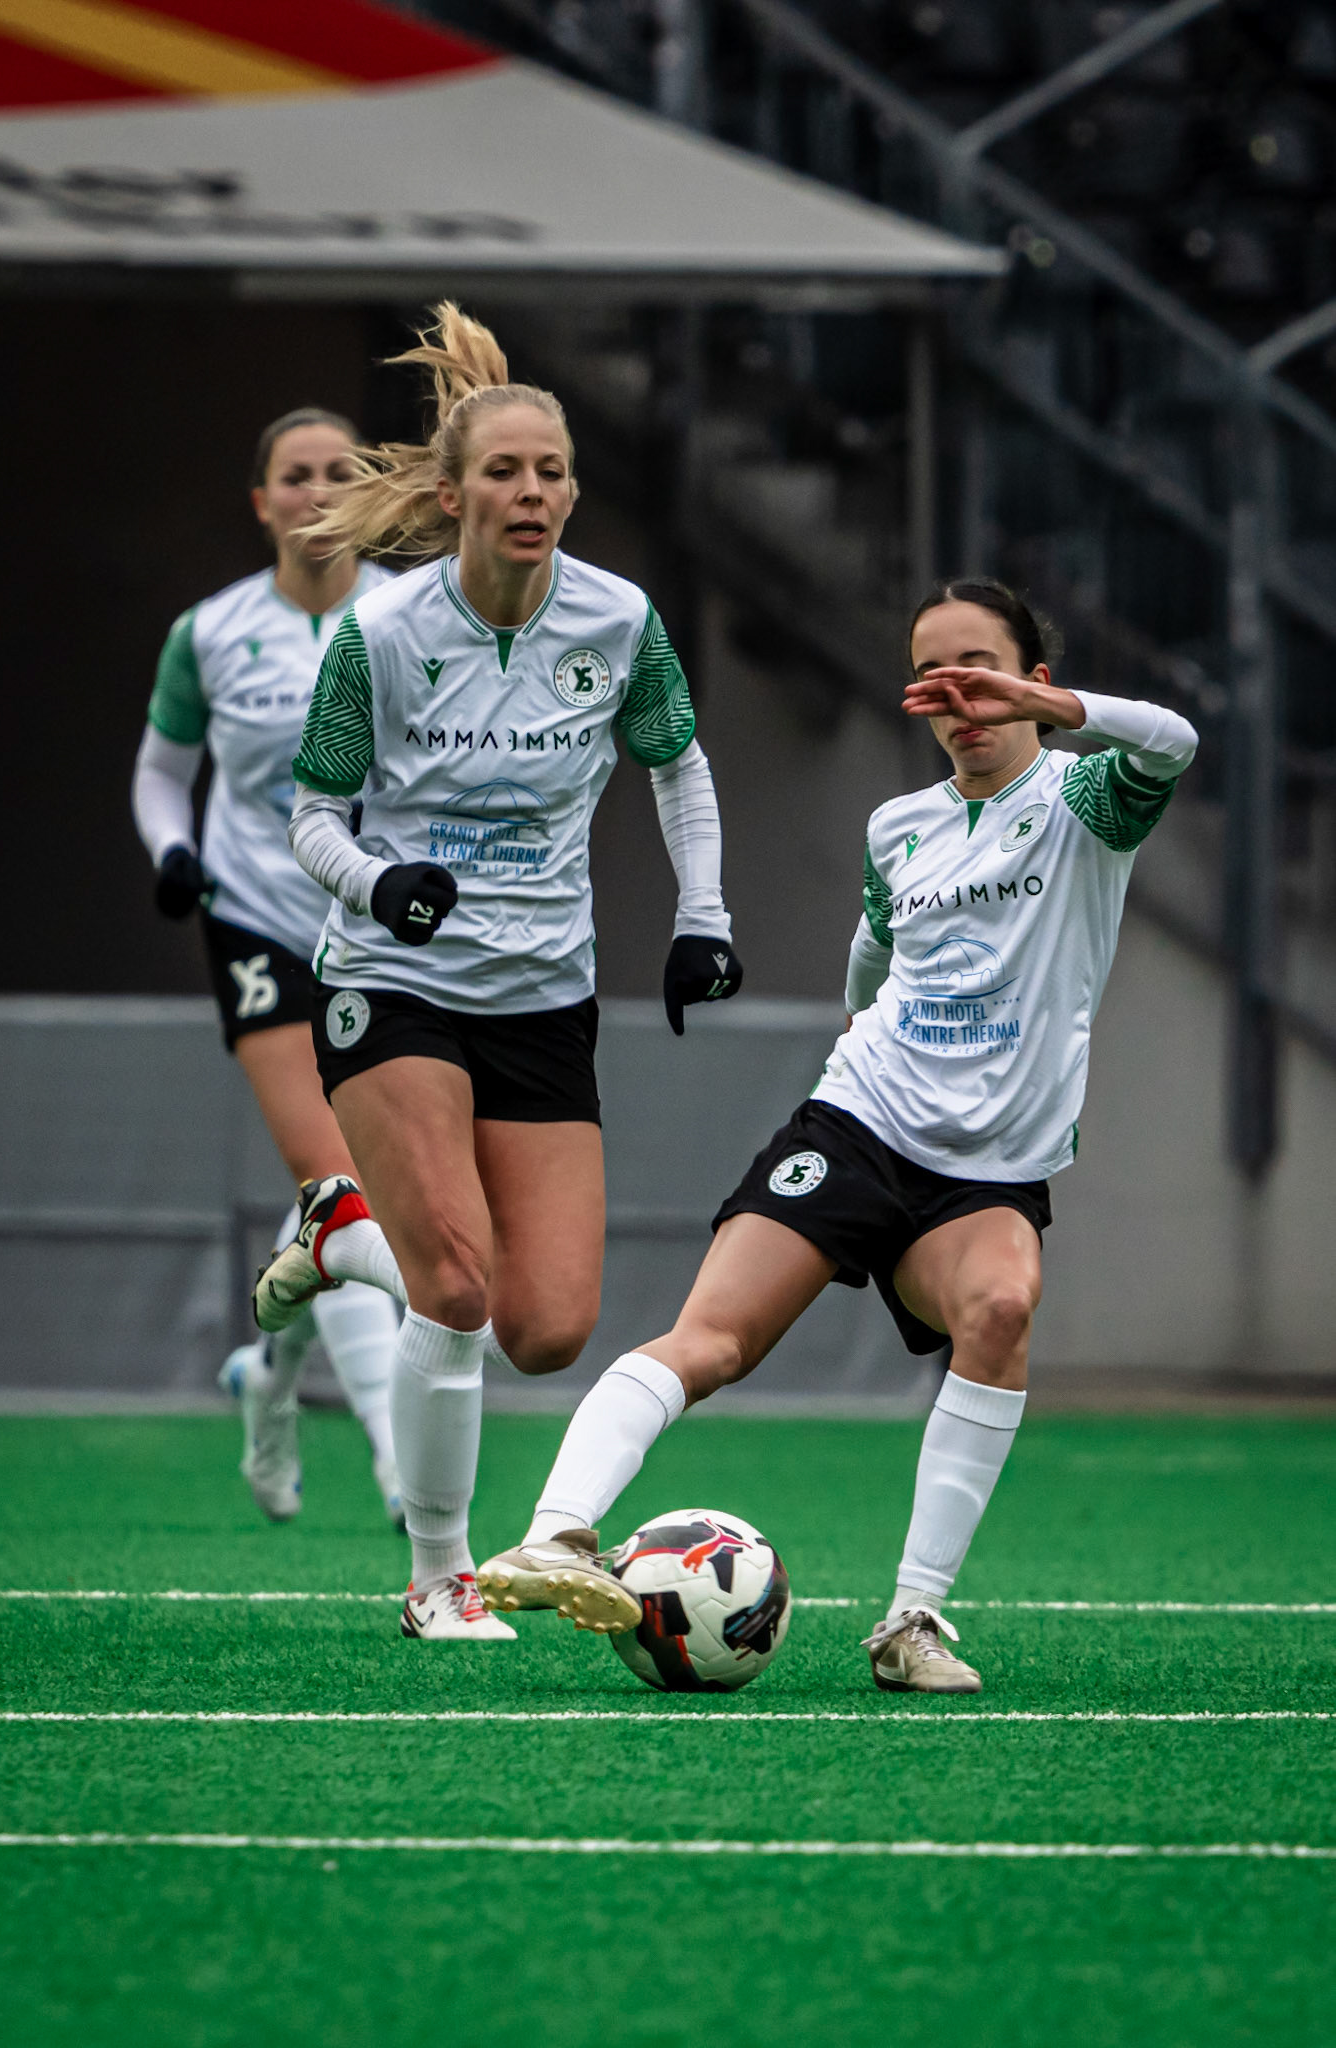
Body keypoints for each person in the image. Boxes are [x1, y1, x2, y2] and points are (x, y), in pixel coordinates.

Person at [473, 578, 1198, 1693]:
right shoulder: (897, 826)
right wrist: (861, 1033)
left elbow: (1178, 739)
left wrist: (1051, 710)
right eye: (937, 678)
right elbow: (871, 954)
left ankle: (911, 1621)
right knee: (710, 1341)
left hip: (987, 1171)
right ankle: (557, 1531)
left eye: (984, 671)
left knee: (1001, 1305)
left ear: (1035, 683)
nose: (962, 698)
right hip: (860, 1122)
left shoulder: (1085, 799)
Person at [251, 304, 744, 1642]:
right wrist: (377, 884)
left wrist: (702, 916)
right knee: (458, 1292)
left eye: (550, 472)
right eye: (505, 472)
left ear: (573, 491)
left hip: (543, 992)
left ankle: (341, 1235)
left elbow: (677, 767)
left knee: (546, 1328)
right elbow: (309, 815)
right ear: (458, 492)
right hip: (389, 980)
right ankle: (437, 1577)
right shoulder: (385, 632)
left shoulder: (619, 619)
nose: (530, 493)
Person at [131, 408, 405, 1529]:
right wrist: (175, 853)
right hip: (253, 918)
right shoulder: (209, 631)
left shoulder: (409, 615)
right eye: (295, 475)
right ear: (262, 501)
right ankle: (401, 1463)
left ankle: (271, 1374)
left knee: (361, 1201)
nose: (317, 490)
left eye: (340, 470)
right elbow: (160, 769)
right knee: (334, 1178)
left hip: (382, 925)